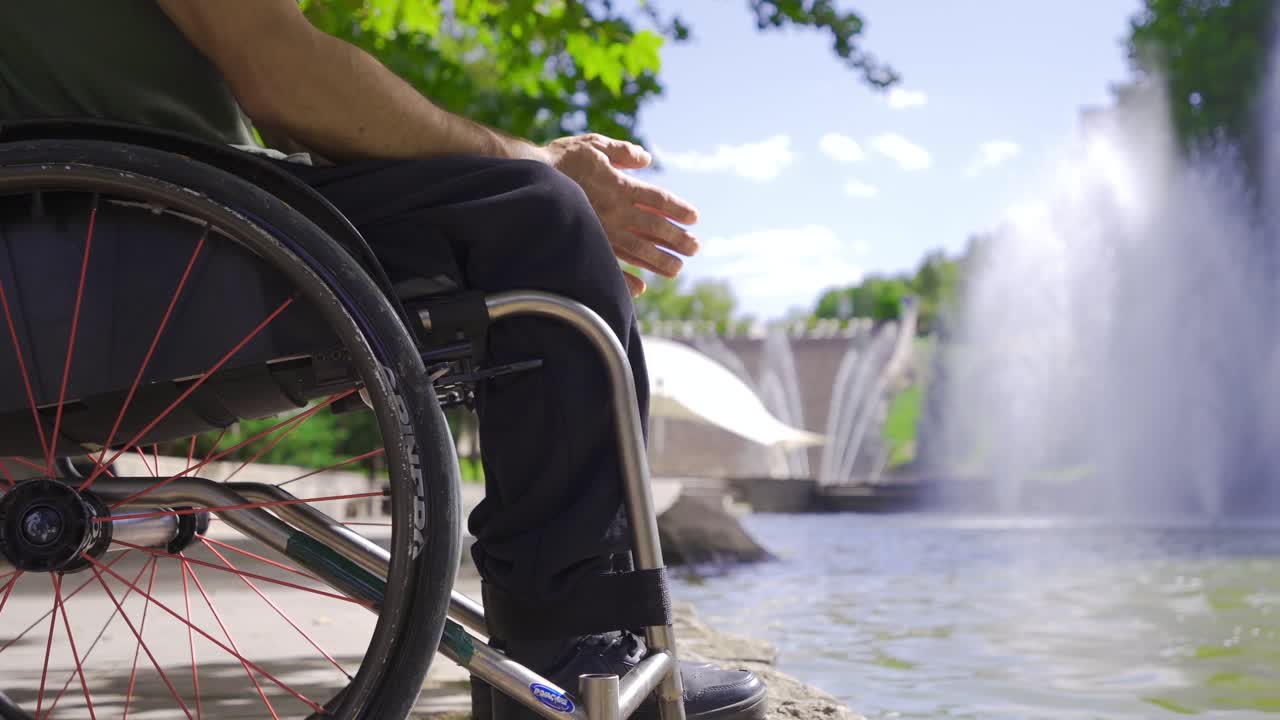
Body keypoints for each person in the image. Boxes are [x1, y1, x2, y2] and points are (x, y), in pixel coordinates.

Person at [0, 2, 768, 720]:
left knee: (524, 207)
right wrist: (541, 161)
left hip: (81, 251)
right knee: (537, 216)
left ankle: (563, 639)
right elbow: (282, 73)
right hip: (119, 246)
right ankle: (566, 654)